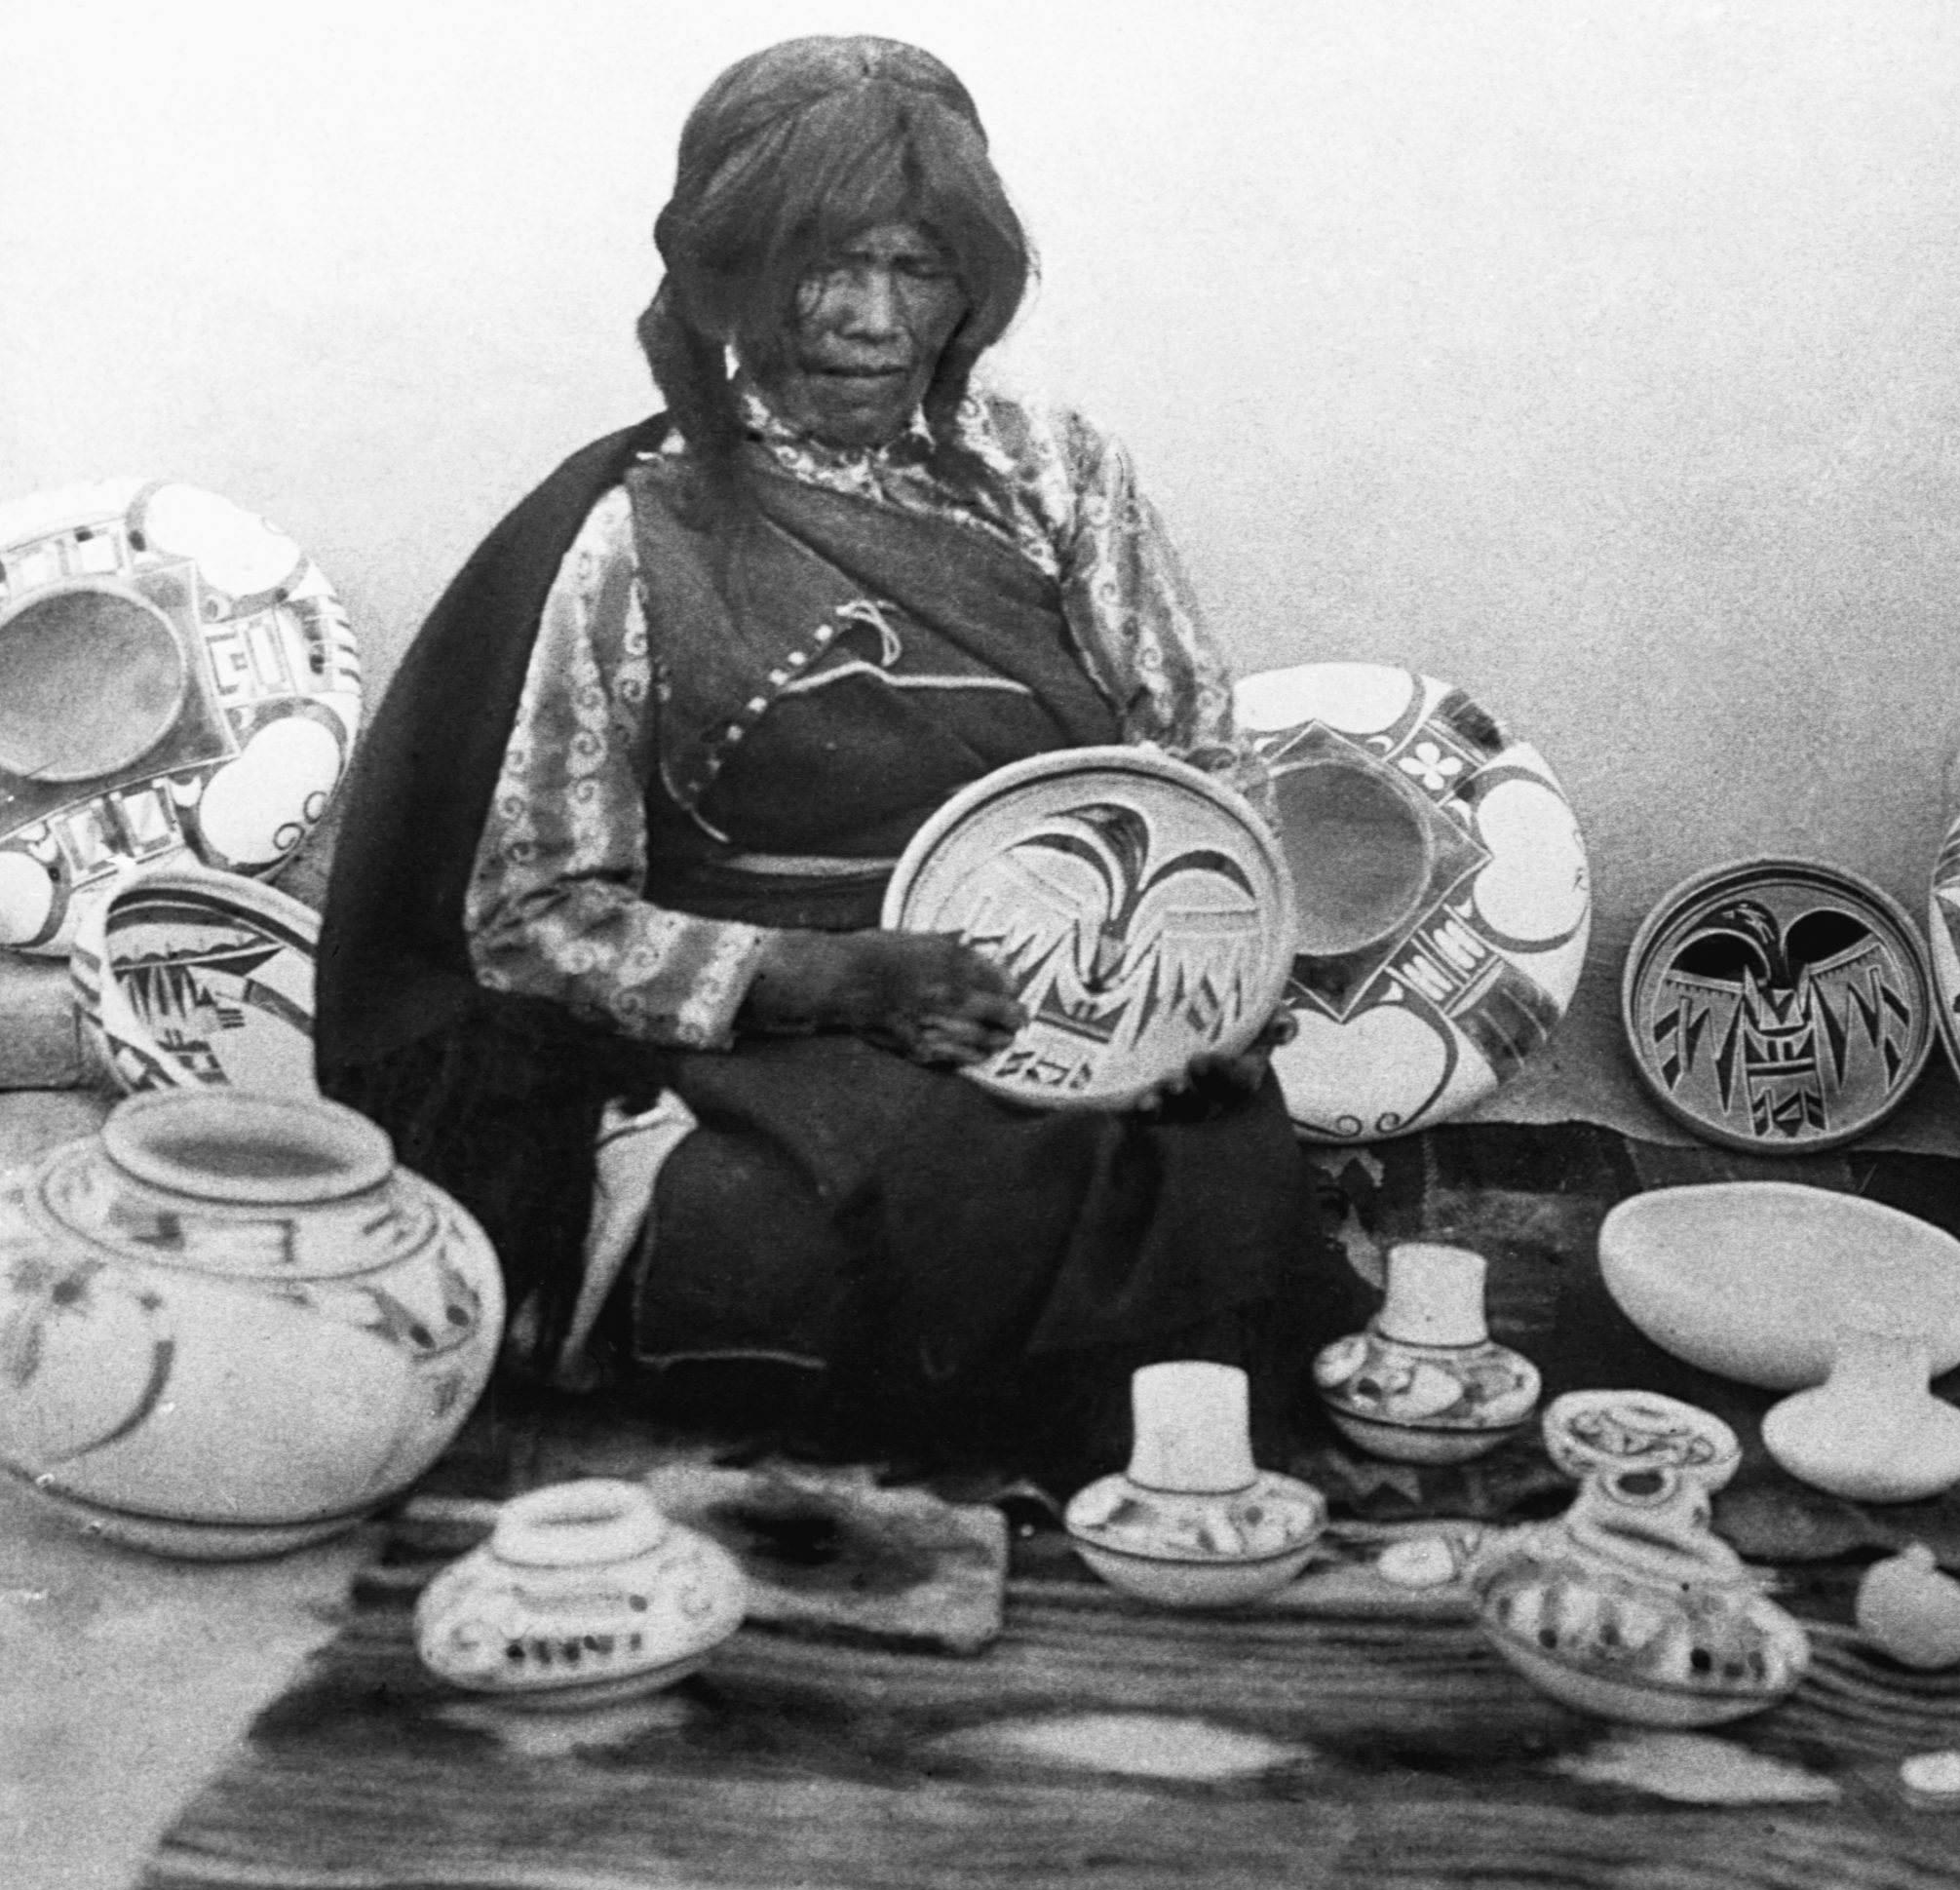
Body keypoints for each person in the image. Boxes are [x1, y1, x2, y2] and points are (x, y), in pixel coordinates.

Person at [313, 34, 1360, 1485]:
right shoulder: (635, 531)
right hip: (783, 1033)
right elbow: (533, 914)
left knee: (1202, 1137)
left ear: (969, 288)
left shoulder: (1061, 479)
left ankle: (1147, 1477)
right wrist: (835, 980)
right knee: (879, 1200)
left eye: (916, 270)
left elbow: (1192, 760)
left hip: (1058, 990)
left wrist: (1214, 985)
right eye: (822, 268)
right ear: (729, 274)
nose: (872, 321)